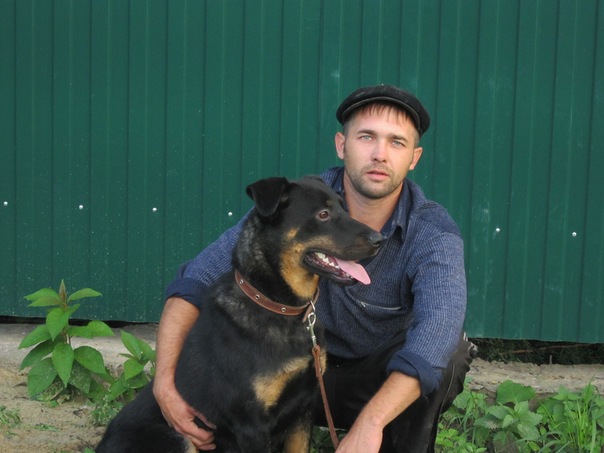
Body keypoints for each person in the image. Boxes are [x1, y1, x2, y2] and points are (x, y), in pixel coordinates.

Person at [153, 84, 476, 452]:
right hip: (291, 378)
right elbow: (195, 281)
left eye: (396, 142)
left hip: (374, 385)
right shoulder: (301, 201)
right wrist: (164, 383)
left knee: (450, 352)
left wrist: (370, 422)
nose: (380, 154)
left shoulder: (432, 231)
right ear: (342, 144)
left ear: (414, 157)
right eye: (366, 137)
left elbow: (439, 328)